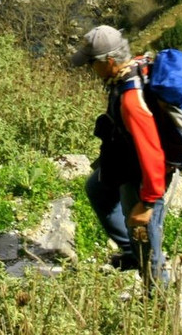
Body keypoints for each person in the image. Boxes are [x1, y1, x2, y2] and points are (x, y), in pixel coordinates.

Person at [72, 25, 170, 289]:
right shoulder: (129, 69)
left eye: (92, 62)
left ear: (110, 62)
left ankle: (158, 301)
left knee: (145, 236)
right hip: (128, 161)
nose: (90, 68)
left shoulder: (131, 101)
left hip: (144, 176)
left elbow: (153, 154)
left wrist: (147, 203)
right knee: (97, 188)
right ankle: (131, 254)